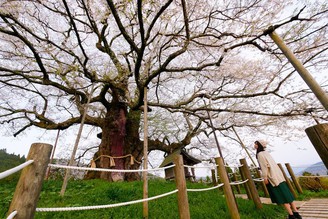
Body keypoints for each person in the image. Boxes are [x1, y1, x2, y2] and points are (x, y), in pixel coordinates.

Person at [254, 140, 302, 219]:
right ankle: (296, 213)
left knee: (282, 197)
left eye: (255, 143)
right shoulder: (266, 153)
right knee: (287, 195)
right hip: (279, 176)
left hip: (272, 179)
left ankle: (291, 215)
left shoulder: (260, 154)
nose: (254, 145)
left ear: (259, 145)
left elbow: (264, 167)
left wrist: (265, 177)